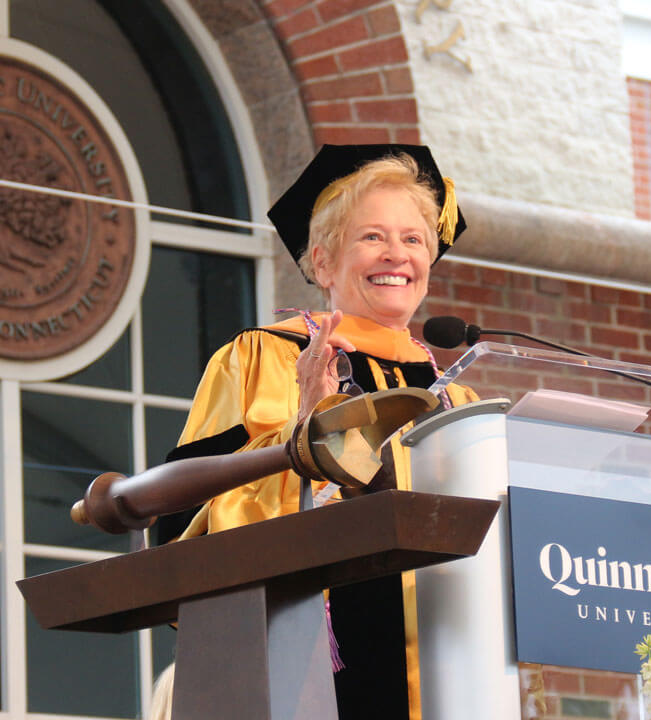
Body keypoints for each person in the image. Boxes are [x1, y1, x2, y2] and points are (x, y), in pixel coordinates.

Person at [156, 144, 473, 720]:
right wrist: (305, 434)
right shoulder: (262, 358)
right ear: (323, 262)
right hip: (307, 668)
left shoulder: (460, 398)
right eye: (372, 236)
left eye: (413, 239)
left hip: (451, 675)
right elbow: (180, 521)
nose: (396, 254)